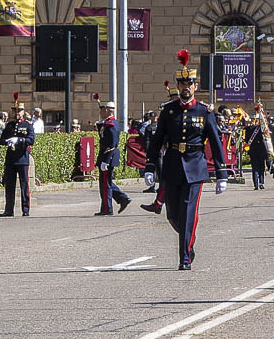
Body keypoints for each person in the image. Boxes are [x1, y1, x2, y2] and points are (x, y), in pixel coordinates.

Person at [150, 52, 223, 269]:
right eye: (182, 84)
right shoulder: (169, 111)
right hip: (172, 166)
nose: (185, 87)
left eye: (189, 84)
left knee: (188, 212)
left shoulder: (204, 111)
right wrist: (150, 166)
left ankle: (184, 258)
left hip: (195, 167)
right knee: (173, 215)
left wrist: (221, 173)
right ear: (178, 85)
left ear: (195, 86)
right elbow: (157, 139)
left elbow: (215, 142)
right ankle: (188, 241)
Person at [0, 98, 35, 216]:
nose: (17, 113)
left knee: (24, 185)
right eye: (15, 111)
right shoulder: (9, 125)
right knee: (9, 185)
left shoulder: (27, 125)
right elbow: (1, 140)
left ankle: (25, 209)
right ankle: (9, 210)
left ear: (23, 112)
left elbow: (31, 140)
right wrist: (7, 141)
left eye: (19, 110)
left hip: (22, 158)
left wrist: (19, 140)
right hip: (11, 159)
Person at [94, 101, 132, 214]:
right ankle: (122, 198)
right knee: (106, 182)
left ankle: (107, 209)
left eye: (102, 111)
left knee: (105, 185)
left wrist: (106, 161)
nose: (100, 113)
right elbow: (103, 137)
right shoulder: (107, 123)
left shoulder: (111, 125)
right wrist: (100, 124)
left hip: (108, 157)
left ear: (106, 110)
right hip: (105, 156)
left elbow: (112, 145)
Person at [244, 107, 272, 191]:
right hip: (261, 149)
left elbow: (246, 140)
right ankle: (261, 183)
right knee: (261, 167)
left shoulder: (248, 129)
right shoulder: (262, 128)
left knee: (255, 168)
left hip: (253, 150)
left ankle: (255, 184)